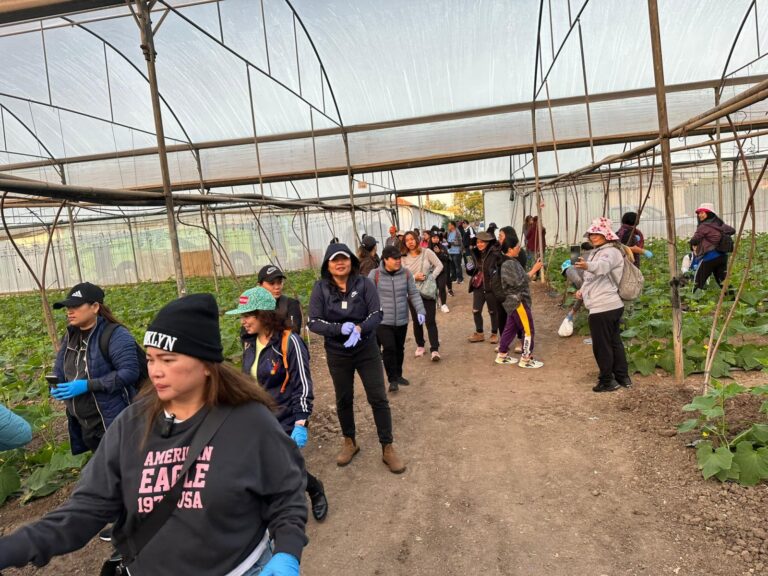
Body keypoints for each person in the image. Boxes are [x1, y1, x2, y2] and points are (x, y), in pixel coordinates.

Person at [0, 294, 308, 575]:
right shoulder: (132, 424)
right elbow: (86, 509)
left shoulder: (248, 422)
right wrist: (14, 547)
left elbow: (286, 492)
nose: (155, 371)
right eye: (150, 359)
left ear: (206, 365)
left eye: (168, 360)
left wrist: (287, 550)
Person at [228, 286, 328, 523]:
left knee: (281, 466)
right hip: (258, 418)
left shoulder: (289, 342)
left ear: (264, 315)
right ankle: (309, 489)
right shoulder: (249, 343)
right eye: (242, 316)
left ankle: (310, 492)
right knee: (272, 465)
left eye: (247, 315)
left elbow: (302, 385)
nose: (243, 321)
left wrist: (301, 422)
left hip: (284, 418)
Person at [307, 243, 405, 474]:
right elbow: (313, 321)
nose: (340, 263)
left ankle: (387, 446)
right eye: (334, 260)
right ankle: (349, 441)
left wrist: (360, 329)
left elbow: (377, 313)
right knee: (344, 398)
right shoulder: (321, 288)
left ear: (351, 261)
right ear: (327, 265)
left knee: (378, 397)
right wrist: (338, 329)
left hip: (366, 349)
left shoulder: (364, 284)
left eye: (344, 258)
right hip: (337, 352)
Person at [50, 282, 140, 456]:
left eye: (76, 306)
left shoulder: (115, 335)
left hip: (112, 421)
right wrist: (55, 385)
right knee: (103, 465)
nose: (69, 311)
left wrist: (88, 385)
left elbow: (129, 372)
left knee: (123, 463)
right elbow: (59, 368)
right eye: (68, 307)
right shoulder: (70, 335)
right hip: (85, 423)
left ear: (95, 307)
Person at [574, 217, 631, 393]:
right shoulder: (598, 251)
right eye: (591, 233)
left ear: (606, 235)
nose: (593, 236)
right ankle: (622, 377)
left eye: (597, 233)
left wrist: (587, 265)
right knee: (614, 342)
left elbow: (602, 267)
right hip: (609, 304)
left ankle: (607, 381)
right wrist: (582, 290)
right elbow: (592, 277)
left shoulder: (610, 252)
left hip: (603, 306)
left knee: (602, 346)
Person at [370, 245, 426, 392]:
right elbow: (368, 297)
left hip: (401, 319)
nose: (398, 261)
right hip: (383, 320)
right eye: (394, 258)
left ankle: (399, 375)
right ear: (385, 259)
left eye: (399, 258)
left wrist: (420, 310)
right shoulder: (375, 275)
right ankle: (392, 379)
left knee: (399, 348)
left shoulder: (406, 273)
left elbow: (413, 293)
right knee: (389, 348)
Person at [495, 237, 544, 369]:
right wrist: (533, 270)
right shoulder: (508, 264)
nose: (519, 249)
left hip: (514, 301)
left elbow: (520, 278)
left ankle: (502, 354)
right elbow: (517, 282)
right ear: (510, 249)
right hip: (518, 301)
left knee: (510, 328)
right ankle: (526, 358)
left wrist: (533, 270)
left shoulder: (510, 261)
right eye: (517, 247)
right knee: (528, 329)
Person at [401, 231, 444, 361]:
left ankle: (434, 349)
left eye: (412, 239)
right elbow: (402, 275)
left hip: (427, 291)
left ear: (417, 239)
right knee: (417, 321)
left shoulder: (427, 252)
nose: (410, 242)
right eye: (407, 240)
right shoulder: (403, 257)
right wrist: (414, 277)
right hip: (412, 292)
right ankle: (420, 345)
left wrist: (431, 277)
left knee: (430, 320)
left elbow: (439, 265)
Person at [689, 202, 736, 291]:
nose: (699, 215)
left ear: (709, 213)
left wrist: (691, 244)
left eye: (702, 213)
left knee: (698, 281)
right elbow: (732, 230)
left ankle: (693, 298)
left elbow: (695, 240)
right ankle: (732, 298)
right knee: (723, 281)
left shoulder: (703, 226)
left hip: (709, 257)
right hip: (722, 257)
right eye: (698, 213)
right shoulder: (719, 223)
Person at [467, 231, 502, 344]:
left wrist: (495, 275)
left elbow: (500, 267)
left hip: (491, 287)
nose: (479, 244)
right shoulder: (475, 253)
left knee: (493, 311)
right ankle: (479, 333)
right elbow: (472, 271)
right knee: (476, 310)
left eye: (482, 242)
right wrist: (469, 269)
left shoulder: (495, 253)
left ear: (488, 242)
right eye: (478, 242)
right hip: (478, 286)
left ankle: (494, 334)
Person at [257, 265, 303, 334]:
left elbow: (293, 332)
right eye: (271, 283)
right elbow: (246, 335)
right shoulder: (253, 306)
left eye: (279, 282)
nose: (277, 287)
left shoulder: (291, 304)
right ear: (259, 286)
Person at [430, 231, 451, 313]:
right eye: (434, 238)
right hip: (431, 272)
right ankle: (435, 301)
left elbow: (447, 258)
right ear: (431, 238)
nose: (436, 239)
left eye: (437, 238)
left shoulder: (443, 247)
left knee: (442, 287)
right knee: (433, 288)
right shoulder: (428, 249)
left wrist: (439, 253)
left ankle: (444, 304)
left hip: (442, 271)